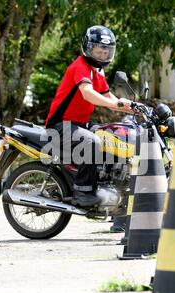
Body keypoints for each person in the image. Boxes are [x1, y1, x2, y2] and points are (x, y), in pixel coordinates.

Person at [45, 25, 133, 207]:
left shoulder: (97, 71)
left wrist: (131, 108)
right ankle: (82, 192)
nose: (102, 56)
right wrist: (114, 104)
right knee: (92, 142)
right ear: (88, 48)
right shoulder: (80, 66)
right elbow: (88, 93)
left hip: (79, 124)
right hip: (60, 125)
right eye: (99, 52)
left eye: (106, 53)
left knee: (110, 135)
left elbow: (108, 96)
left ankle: (108, 182)